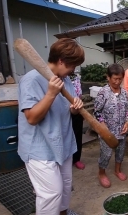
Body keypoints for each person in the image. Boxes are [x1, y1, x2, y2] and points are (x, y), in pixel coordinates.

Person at [18, 38, 84, 215]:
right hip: (40, 148)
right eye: (72, 65)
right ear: (61, 61)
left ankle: (63, 213)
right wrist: (51, 94)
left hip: (63, 143)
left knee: (65, 186)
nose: (73, 70)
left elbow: (68, 111)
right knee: (51, 194)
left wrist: (75, 109)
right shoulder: (31, 80)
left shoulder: (65, 79)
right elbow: (31, 118)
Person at [94, 63, 128, 188]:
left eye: (120, 78)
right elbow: (97, 111)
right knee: (106, 153)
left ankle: (117, 170)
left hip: (122, 130)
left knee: (120, 152)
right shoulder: (103, 93)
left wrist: (127, 122)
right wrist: (103, 125)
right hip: (107, 132)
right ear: (108, 77)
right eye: (115, 78)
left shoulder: (125, 93)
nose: (117, 81)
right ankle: (102, 173)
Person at [71, 73, 85, 170]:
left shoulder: (76, 77)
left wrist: (81, 111)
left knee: (77, 135)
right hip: (63, 111)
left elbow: (79, 95)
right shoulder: (57, 77)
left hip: (77, 110)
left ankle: (76, 159)